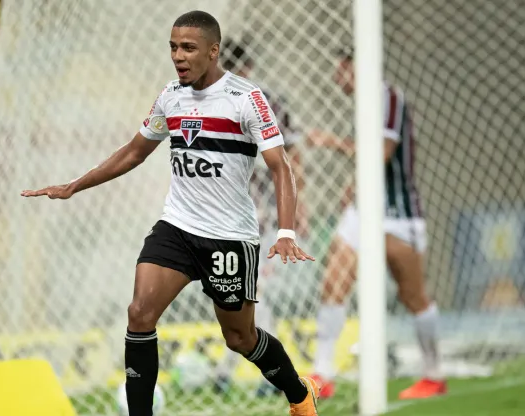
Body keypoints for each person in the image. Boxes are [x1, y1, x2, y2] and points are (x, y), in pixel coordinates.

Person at [22, 11, 320, 416]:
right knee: (139, 313)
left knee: (239, 337)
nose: (178, 56)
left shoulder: (246, 99)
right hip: (177, 226)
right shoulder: (170, 96)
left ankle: (299, 395)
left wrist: (286, 231)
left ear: (213, 51)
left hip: (229, 236)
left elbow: (280, 166)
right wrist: (75, 185)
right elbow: (133, 152)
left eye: (189, 48)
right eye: (174, 47)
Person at [306, 50, 446, 400]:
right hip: (364, 209)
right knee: (334, 277)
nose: (339, 80)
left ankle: (433, 373)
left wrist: (331, 142)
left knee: (412, 294)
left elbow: (381, 153)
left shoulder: (390, 97)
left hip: (398, 213)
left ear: (359, 69)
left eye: (343, 71)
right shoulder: (366, 104)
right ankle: (323, 372)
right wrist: (354, 187)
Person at [212, 37, 308, 397]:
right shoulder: (207, 103)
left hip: (264, 219)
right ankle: (228, 369)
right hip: (228, 219)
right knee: (235, 294)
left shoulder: (268, 104)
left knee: (256, 293)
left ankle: (261, 376)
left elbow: (292, 160)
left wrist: (296, 215)